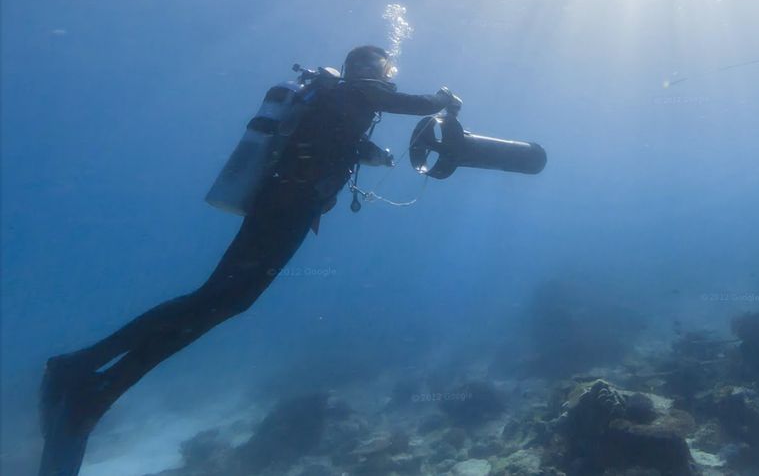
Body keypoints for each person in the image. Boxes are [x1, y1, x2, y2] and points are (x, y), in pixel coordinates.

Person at [37, 45, 459, 476]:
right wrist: (442, 100)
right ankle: (86, 374)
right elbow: (408, 104)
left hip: (290, 204)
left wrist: (370, 153)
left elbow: (334, 139)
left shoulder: (343, 101)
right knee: (218, 298)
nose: (389, 75)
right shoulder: (354, 92)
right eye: (385, 67)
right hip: (287, 205)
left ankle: (95, 382)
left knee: (223, 301)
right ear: (366, 68)